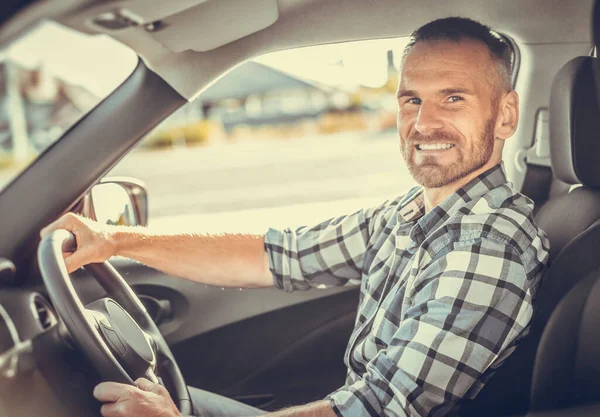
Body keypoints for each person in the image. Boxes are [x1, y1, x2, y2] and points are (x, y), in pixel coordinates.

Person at [41, 17, 550, 417]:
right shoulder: (413, 214)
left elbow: (377, 411)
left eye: (453, 99)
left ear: (505, 115)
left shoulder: (488, 243)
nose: (423, 123)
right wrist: (114, 240)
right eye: (411, 99)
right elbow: (278, 254)